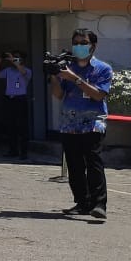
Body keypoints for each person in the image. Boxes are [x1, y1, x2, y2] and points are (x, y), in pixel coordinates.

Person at [50, 28, 112, 221]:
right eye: (75, 43)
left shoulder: (103, 69)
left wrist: (74, 78)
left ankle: (99, 204)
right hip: (70, 123)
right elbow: (59, 95)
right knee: (75, 165)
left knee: (93, 162)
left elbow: (99, 94)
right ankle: (82, 203)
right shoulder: (67, 68)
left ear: (92, 45)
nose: (78, 46)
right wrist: (53, 75)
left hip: (93, 122)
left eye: (83, 43)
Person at [0, 51, 33, 158]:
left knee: (22, 127)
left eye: (17, 58)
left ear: (22, 60)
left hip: (20, 100)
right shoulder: (9, 70)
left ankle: (24, 152)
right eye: (14, 58)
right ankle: (13, 150)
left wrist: (13, 60)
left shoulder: (26, 70)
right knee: (11, 126)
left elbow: (23, 72)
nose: (14, 60)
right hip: (10, 99)